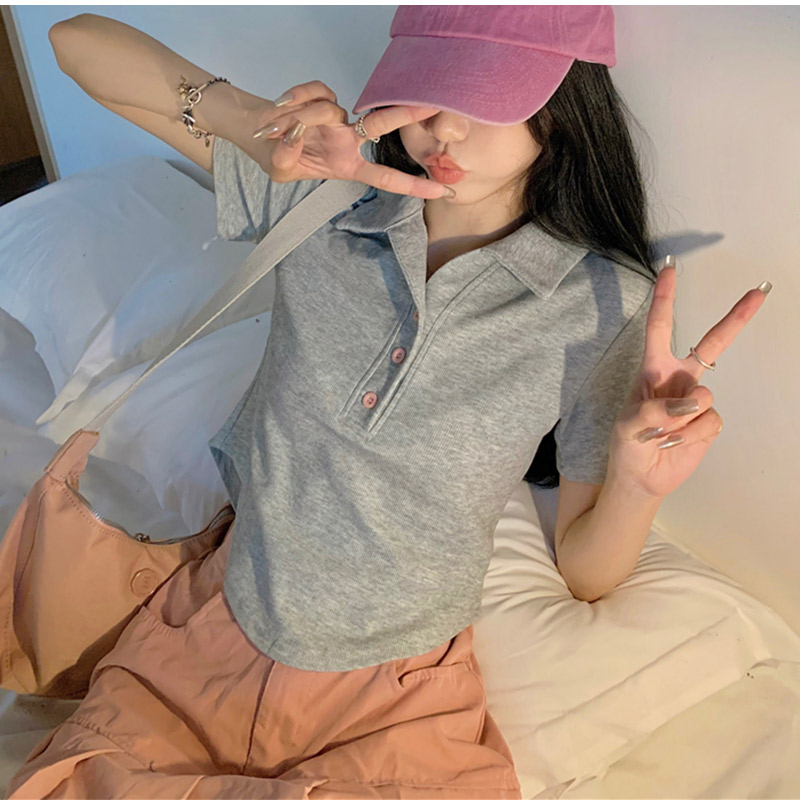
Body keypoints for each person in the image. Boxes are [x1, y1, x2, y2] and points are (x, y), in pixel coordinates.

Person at [8, 5, 771, 799]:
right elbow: (75, 44)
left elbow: (585, 572)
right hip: (208, 635)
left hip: (394, 702)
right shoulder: (325, 198)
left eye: (482, 97)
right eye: (425, 92)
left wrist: (638, 484)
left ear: (564, 105)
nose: (443, 130)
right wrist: (258, 126)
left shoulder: (603, 303)